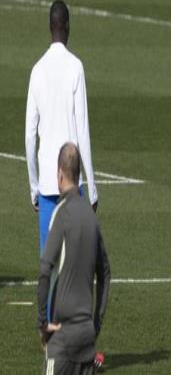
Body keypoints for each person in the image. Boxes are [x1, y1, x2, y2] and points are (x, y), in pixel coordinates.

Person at [25, 0, 98, 255]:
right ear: (67, 25)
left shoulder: (37, 70)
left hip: (47, 183)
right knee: (76, 258)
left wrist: (33, 186)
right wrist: (92, 187)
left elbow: (29, 136)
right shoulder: (76, 67)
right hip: (72, 185)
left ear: (50, 27)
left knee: (49, 260)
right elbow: (83, 131)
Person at [37, 143, 111, 375]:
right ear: (79, 176)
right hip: (86, 338)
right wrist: (95, 323)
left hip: (62, 336)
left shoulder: (61, 212)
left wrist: (42, 323)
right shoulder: (91, 216)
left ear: (60, 174)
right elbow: (105, 273)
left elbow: (45, 269)